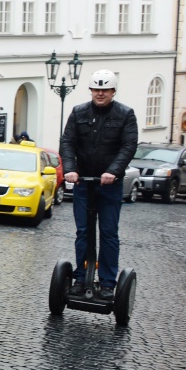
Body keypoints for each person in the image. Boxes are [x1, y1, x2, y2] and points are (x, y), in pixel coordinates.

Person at [59, 69, 138, 298]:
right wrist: (71, 169)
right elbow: (68, 142)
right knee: (83, 232)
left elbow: (128, 146)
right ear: (91, 90)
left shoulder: (125, 114)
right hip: (83, 182)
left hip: (109, 185)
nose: (100, 94)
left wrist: (112, 171)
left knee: (108, 233)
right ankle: (81, 277)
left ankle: (106, 283)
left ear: (113, 91)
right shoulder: (78, 112)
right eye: (96, 89)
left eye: (105, 90)